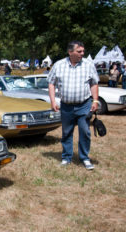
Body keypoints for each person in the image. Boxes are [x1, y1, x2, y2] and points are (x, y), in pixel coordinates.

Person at [47, 40, 99, 170]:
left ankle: (85, 158)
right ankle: (66, 157)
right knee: (67, 132)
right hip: (66, 106)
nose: (82, 53)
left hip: (84, 105)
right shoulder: (59, 65)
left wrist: (96, 100)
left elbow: (94, 83)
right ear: (70, 52)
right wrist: (53, 101)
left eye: (83, 51)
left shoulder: (88, 64)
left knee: (85, 131)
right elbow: (51, 83)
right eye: (79, 51)